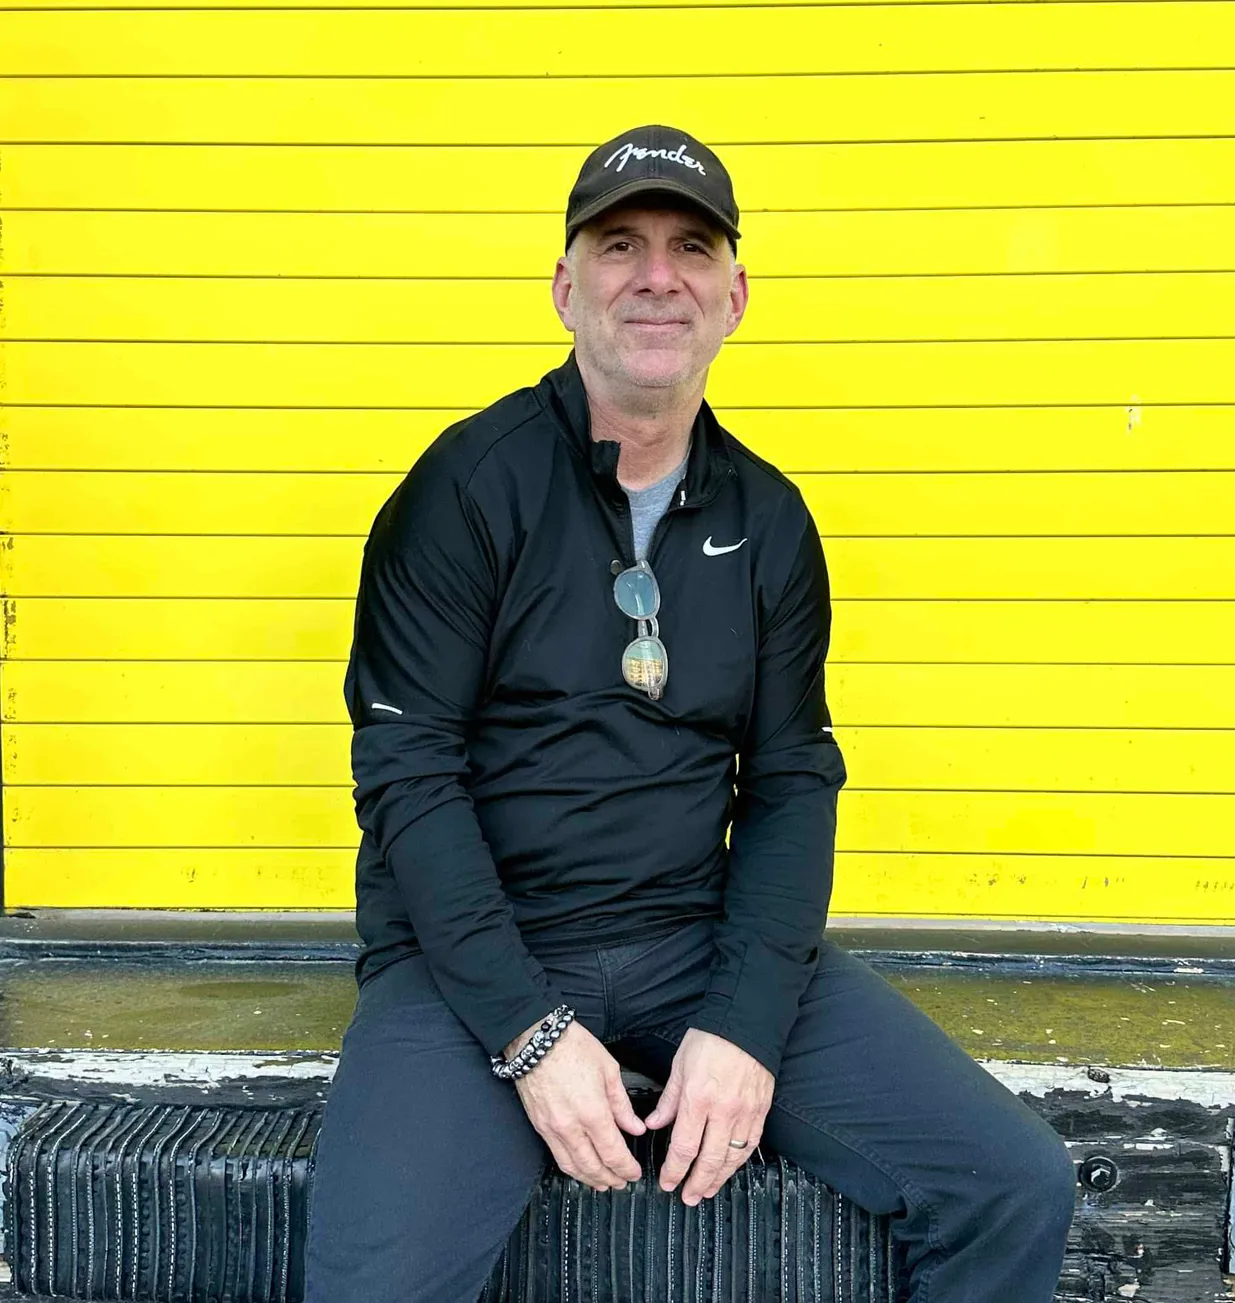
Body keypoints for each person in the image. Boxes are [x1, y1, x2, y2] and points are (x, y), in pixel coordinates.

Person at [304, 124, 1078, 1302]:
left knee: (1012, 1184)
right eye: (619, 245)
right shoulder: (463, 488)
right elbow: (407, 773)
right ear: (565, 288)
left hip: (686, 934)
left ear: (734, 296)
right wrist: (527, 1030)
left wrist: (747, 1018)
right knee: (375, 1284)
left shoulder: (768, 520)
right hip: (474, 961)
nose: (656, 276)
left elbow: (790, 779)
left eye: (690, 248)